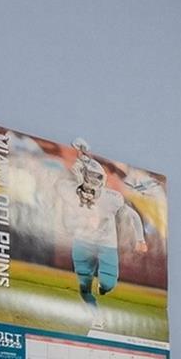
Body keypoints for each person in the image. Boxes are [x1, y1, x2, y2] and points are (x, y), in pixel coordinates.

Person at [61, 141, 146, 331]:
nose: (92, 181)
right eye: (89, 176)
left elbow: (132, 214)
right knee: (84, 287)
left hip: (107, 244)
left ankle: (103, 288)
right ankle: (96, 318)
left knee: (108, 283)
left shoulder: (112, 198)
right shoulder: (71, 192)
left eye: (96, 177)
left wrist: (140, 239)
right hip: (83, 241)